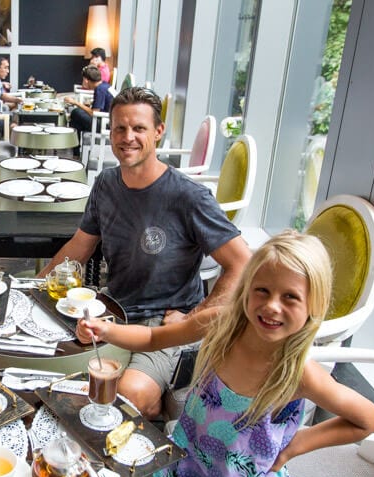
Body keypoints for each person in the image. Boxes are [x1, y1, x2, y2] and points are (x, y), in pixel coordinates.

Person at [80, 231, 374, 477]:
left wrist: (295, 446)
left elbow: (368, 419)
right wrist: (105, 331)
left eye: (290, 297)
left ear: (313, 306)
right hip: (184, 463)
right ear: (247, 288)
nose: (272, 306)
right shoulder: (222, 323)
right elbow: (153, 336)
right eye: (262, 290)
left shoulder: (298, 373)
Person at [40, 87, 252, 419]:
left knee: (128, 395)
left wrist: (195, 318)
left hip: (164, 321)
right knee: (44, 368)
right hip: (110, 308)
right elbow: (79, 247)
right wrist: (34, 288)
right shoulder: (106, 185)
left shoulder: (189, 197)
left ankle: (151, 431)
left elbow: (243, 265)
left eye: (139, 128)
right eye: (120, 128)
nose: (128, 137)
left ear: (158, 131)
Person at [64, 65, 113, 143]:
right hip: (108, 120)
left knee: (75, 113)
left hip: (104, 124)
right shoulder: (104, 85)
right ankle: (76, 148)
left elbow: (94, 113)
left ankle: (74, 146)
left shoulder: (99, 90)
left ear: (86, 80)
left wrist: (75, 102)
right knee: (77, 118)